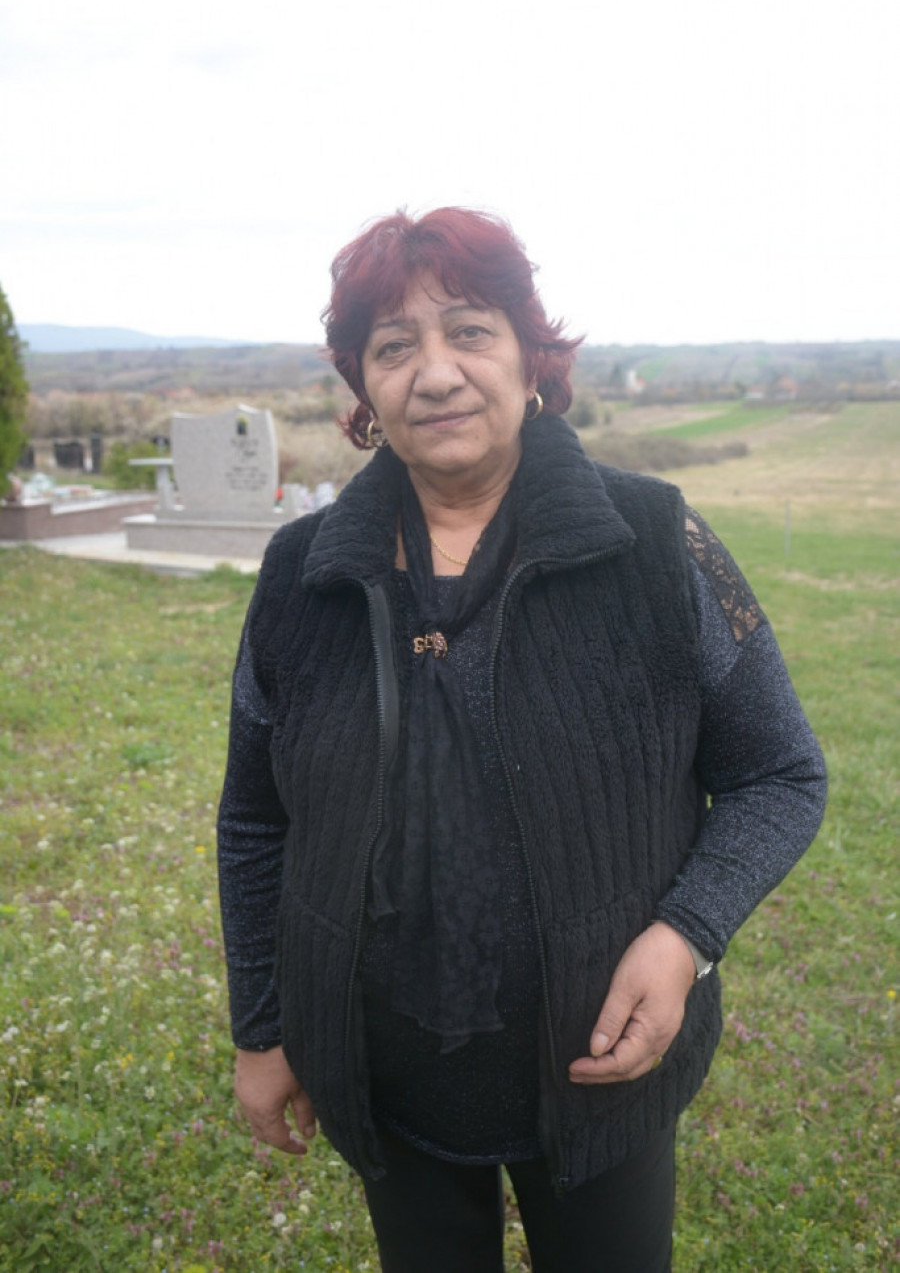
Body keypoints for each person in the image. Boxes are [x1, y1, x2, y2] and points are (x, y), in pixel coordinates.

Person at [217, 207, 827, 1272]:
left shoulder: (656, 543)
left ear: (531, 357)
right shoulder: (303, 575)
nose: (435, 373)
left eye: (470, 330)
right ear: (363, 386)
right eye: (393, 346)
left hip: (604, 1066)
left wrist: (684, 935)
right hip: (385, 1067)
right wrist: (262, 1028)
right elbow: (255, 819)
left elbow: (779, 772)